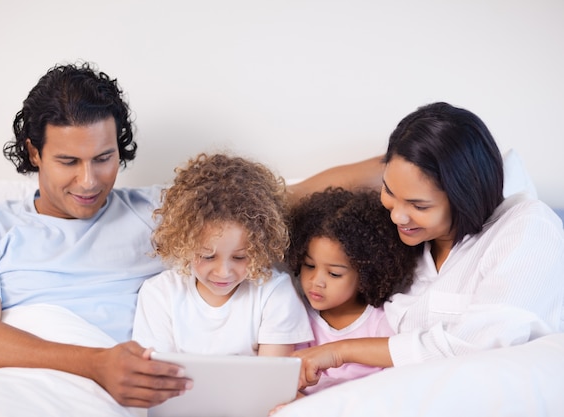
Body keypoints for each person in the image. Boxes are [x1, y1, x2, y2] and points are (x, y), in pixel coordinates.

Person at [0, 62, 191, 408]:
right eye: (69, 162)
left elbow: (273, 195)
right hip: (4, 389)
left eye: (103, 158)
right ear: (34, 152)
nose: (89, 181)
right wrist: (96, 364)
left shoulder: (164, 213)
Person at [288, 102, 564, 391]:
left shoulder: (527, 225)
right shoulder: (400, 238)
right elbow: (290, 198)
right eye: (389, 191)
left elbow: (482, 343)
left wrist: (341, 351)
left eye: (419, 205)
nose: (397, 215)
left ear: (465, 197)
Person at [133, 153, 313, 357]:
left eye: (240, 257)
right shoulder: (159, 294)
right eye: (207, 256)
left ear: (261, 247)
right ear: (183, 244)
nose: (223, 272)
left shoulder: (275, 292)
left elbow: (271, 378)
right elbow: (156, 373)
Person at [287, 187, 420, 394]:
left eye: (334, 274)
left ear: (366, 275)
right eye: (309, 266)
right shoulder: (294, 313)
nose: (316, 282)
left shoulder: (382, 324)